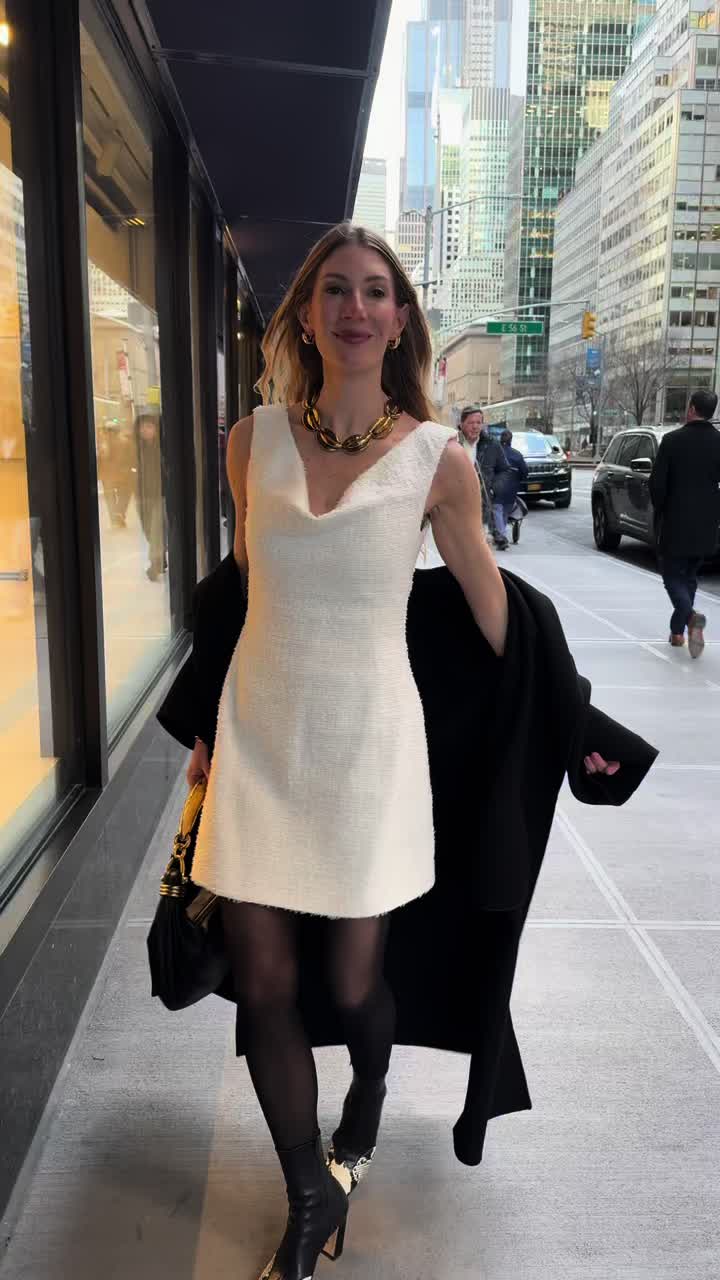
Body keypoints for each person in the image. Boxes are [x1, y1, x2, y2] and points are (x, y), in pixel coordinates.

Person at [158, 224, 653, 1280]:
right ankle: (308, 1193)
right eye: (335, 289)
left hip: (370, 757)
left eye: (376, 292)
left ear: (398, 320)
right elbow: (238, 598)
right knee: (266, 982)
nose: (355, 307)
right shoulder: (250, 441)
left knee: (354, 986)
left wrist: (575, 722)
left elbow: (496, 611)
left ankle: (368, 1101)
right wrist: (204, 730)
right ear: (305, 314)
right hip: (258, 745)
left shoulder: (438, 459)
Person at [649, 388, 720, 657]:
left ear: (691, 409)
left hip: (676, 519)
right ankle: (677, 633)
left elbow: (658, 485)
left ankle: (690, 617)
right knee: (689, 576)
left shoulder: (672, 440)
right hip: (707, 523)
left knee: (671, 575)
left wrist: (661, 509)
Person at [458, 405, 510, 549]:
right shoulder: (453, 444)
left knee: (481, 547)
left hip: (483, 507)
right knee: (461, 547)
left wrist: (494, 488)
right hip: (457, 507)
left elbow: (504, 470)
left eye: (478, 422)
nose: (475, 426)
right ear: (461, 424)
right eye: (471, 422)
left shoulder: (492, 444)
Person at [500, 429, 529, 539]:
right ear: (511, 440)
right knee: (505, 510)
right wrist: (519, 480)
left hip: (494, 488)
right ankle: (502, 535)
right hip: (511, 489)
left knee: (498, 509)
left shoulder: (493, 452)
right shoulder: (517, 455)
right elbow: (525, 472)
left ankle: (500, 534)